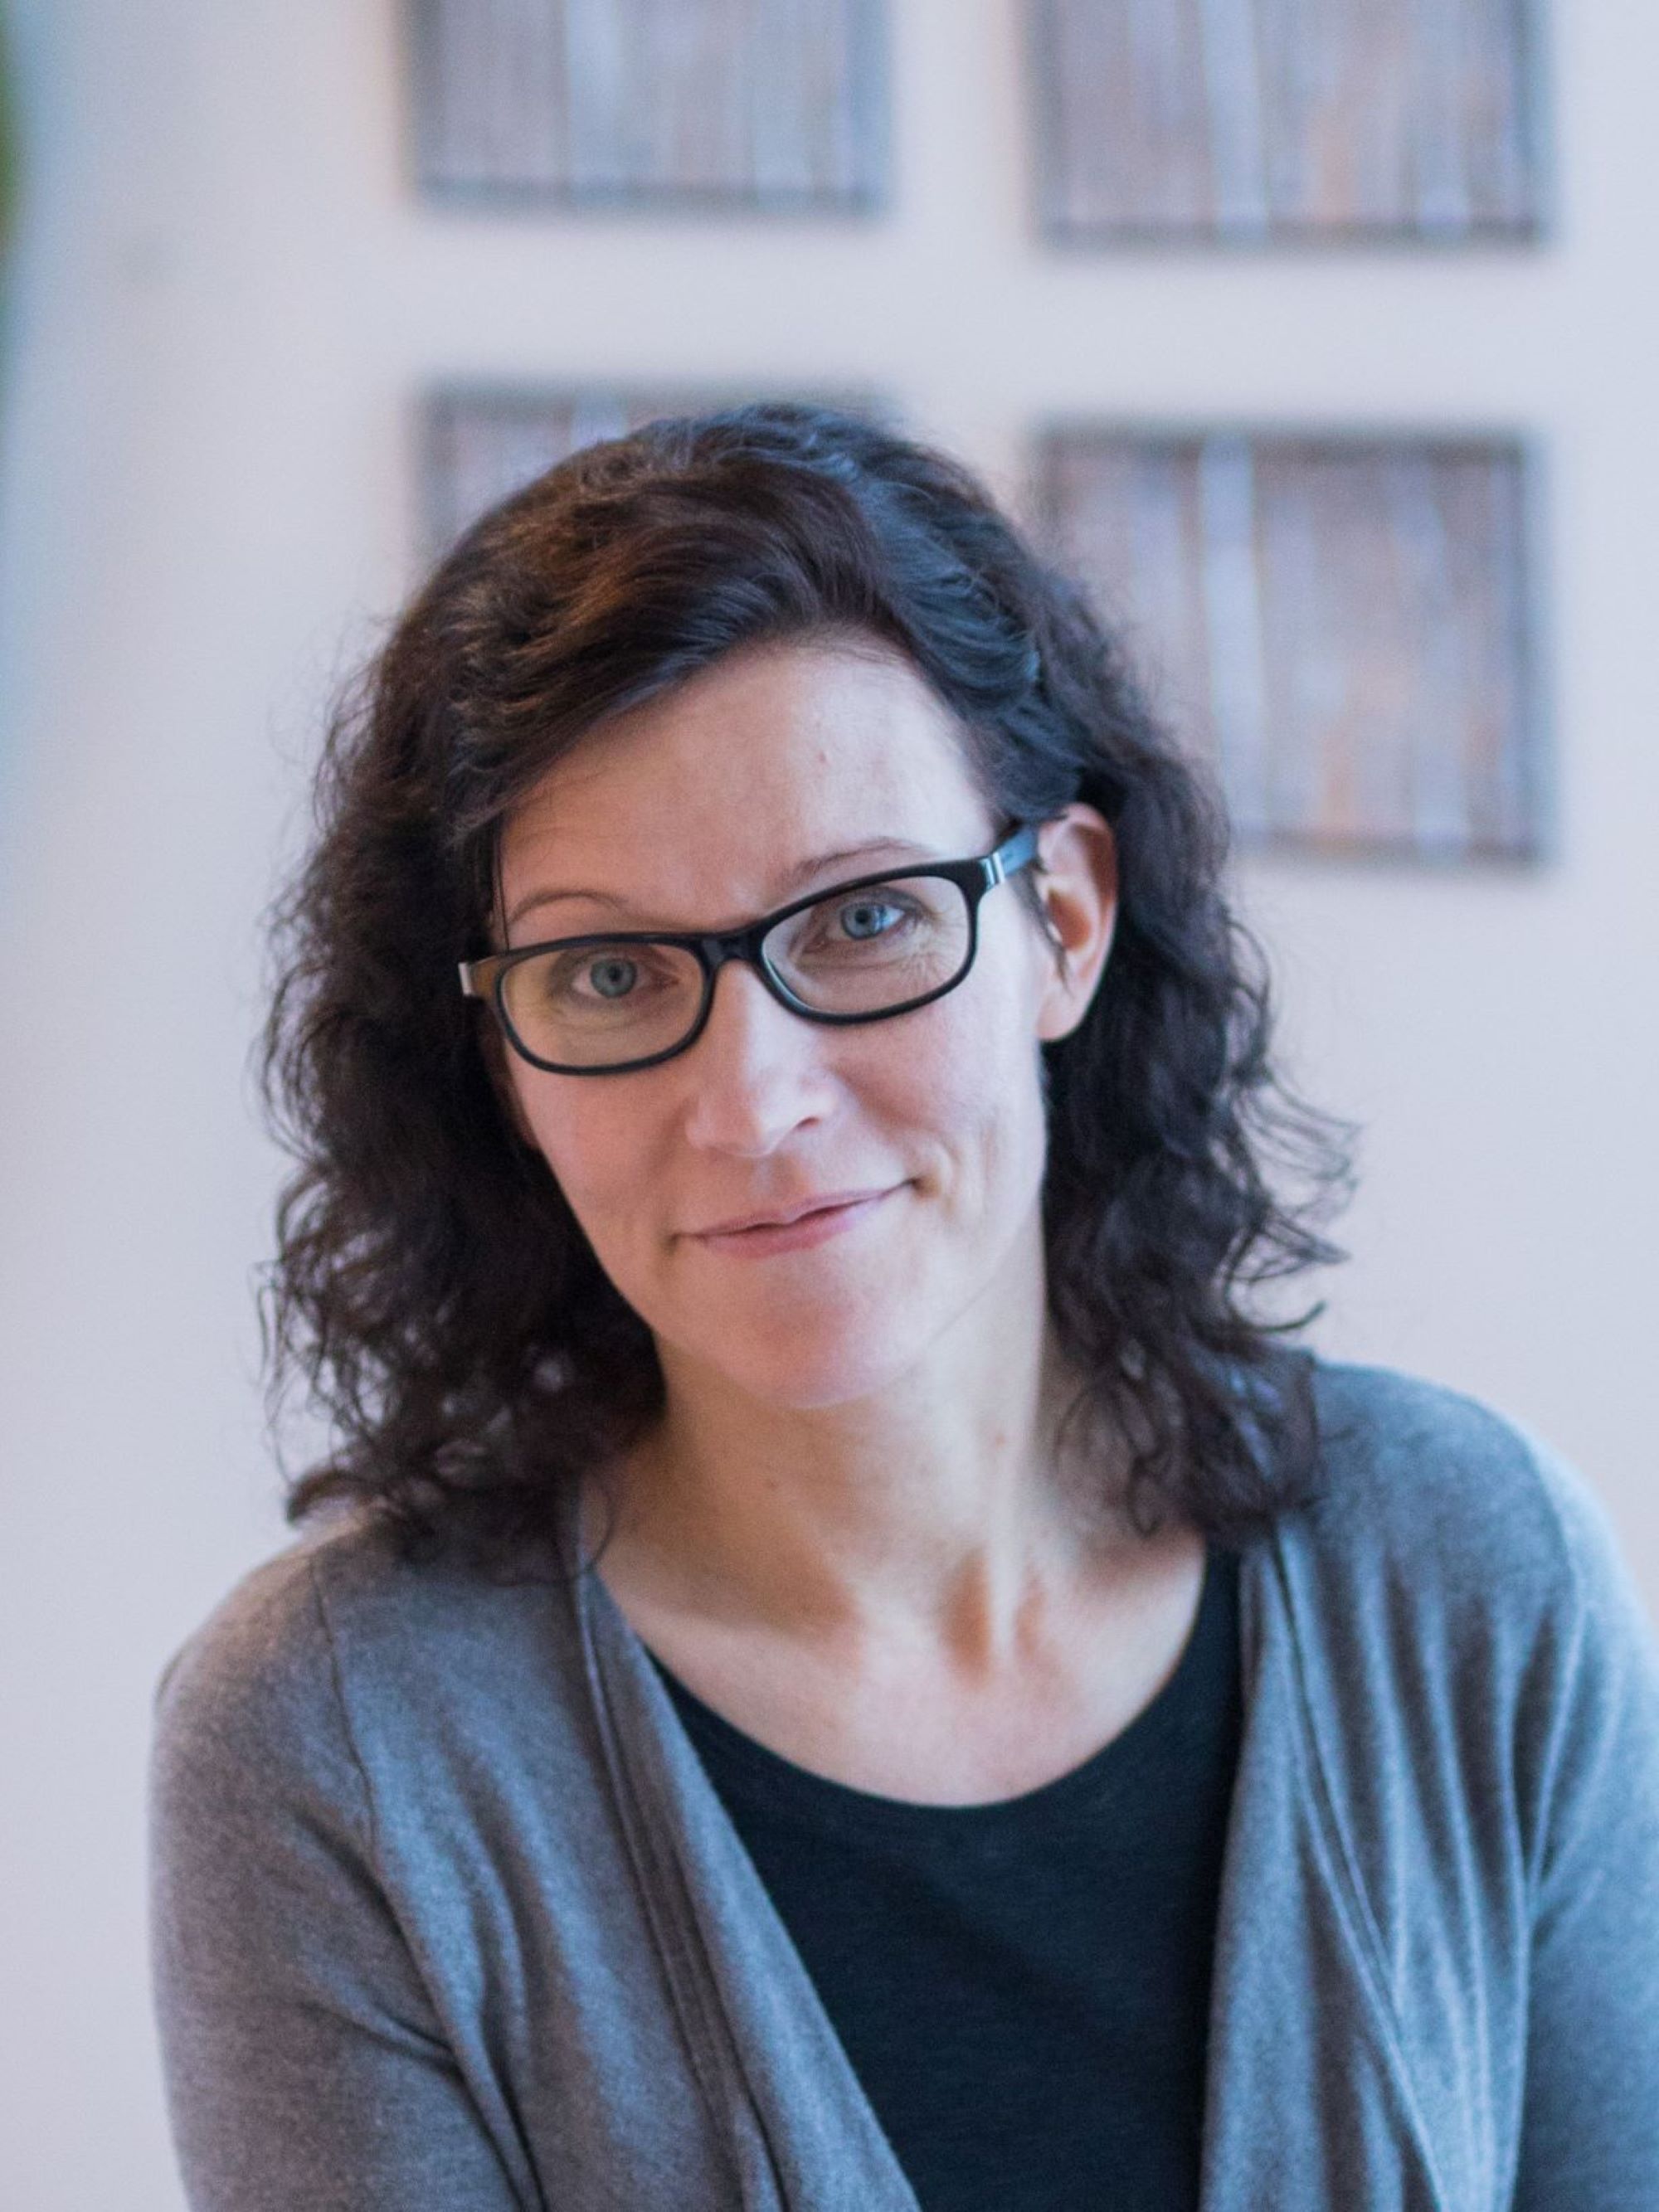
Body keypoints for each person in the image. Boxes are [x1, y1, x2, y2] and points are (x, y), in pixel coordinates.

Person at [148, 402, 1659, 2212]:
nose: (753, 1101)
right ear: (499, 1062)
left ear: (1062, 921)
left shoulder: (1472, 1571)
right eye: (609, 972)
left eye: (863, 919)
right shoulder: (336, 1746)